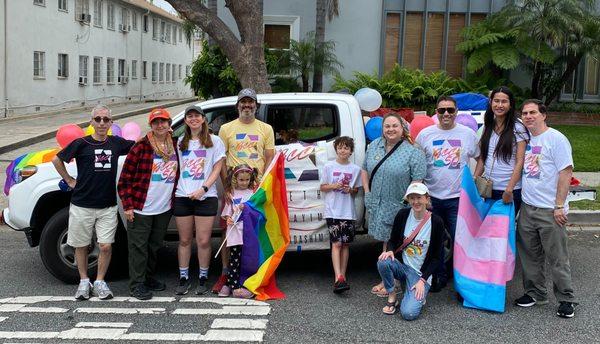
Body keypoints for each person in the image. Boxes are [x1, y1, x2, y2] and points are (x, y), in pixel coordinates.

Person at [51, 104, 134, 300]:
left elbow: (139, 146)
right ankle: (83, 281)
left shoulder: (117, 143)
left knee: (105, 245)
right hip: (82, 204)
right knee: (81, 245)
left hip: (107, 205)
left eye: (106, 119)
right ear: (91, 122)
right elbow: (57, 160)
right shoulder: (81, 143)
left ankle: (100, 281)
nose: (102, 123)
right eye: (98, 119)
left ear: (111, 123)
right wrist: (70, 180)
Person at [515, 99, 577, 318]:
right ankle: (535, 294)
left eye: (533, 112)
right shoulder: (525, 139)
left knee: (557, 257)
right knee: (530, 255)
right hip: (528, 207)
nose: (528, 116)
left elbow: (566, 172)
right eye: (525, 113)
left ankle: (566, 299)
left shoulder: (556, 138)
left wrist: (559, 205)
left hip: (550, 210)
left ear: (543, 115)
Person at [213, 88, 275, 293]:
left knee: (253, 232)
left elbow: (269, 158)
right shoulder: (226, 129)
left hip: (255, 191)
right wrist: (226, 185)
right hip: (233, 189)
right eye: (243, 102)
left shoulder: (265, 129)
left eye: (251, 102)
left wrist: (261, 185)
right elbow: (221, 159)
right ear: (237, 105)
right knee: (228, 230)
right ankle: (226, 272)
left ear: (256, 106)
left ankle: (250, 274)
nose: (247, 106)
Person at [415, 96, 479, 292]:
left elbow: (480, 158)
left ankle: (463, 283)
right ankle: (438, 277)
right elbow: (416, 161)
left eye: (450, 110)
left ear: (456, 112)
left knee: (461, 242)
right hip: (432, 198)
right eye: (442, 110)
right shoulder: (425, 135)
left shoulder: (468, 134)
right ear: (436, 111)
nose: (446, 114)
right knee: (435, 241)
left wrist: (474, 179)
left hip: (457, 198)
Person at [362, 113, 427, 296]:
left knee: (396, 243)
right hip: (378, 203)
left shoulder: (413, 151)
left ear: (402, 128)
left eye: (394, 126)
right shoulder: (374, 146)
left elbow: (418, 182)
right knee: (386, 241)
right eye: (387, 126)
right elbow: (364, 171)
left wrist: (409, 203)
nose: (390, 129)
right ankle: (388, 280)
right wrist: (367, 193)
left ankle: (392, 282)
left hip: (400, 205)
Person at [117, 108, 178, 300]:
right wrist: (127, 206)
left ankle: (148, 277)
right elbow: (124, 179)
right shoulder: (141, 147)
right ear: (151, 125)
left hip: (164, 207)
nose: (160, 125)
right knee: (138, 247)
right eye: (155, 122)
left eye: (163, 121)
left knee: (154, 245)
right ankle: (136, 284)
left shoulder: (175, 146)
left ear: (169, 124)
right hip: (141, 206)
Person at [173, 105, 225, 295]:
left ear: (204, 119)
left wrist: (203, 189)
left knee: (203, 241)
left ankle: (203, 277)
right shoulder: (180, 141)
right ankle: (183, 277)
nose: (193, 119)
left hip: (206, 196)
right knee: (185, 240)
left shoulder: (215, 141)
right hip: (182, 196)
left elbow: (217, 168)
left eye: (197, 116)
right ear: (185, 120)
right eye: (189, 116)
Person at [376, 183, 444, 320]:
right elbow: (393, 240)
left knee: (408, 313)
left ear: (426, 198)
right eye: (412, 198)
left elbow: (437, 257)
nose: (415, 201)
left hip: (420, 274)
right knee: (383, 261)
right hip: (403, 267)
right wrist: (389, 250)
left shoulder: (436, 222)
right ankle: (392, 294)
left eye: (419, 197)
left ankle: (416, 292)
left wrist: (423, 280)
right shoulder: (403, 215)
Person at [475, 86, 529, 213]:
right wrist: (474, 178)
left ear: (510, 105)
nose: (499, 105)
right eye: (496, 101)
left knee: (503, 230)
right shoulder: (488, 125)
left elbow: (520, 161)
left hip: (509, 190)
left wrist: (509, 189)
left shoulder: (518, 127)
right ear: (491, 102)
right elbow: (484, 156)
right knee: (489, 229)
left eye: (504, 101)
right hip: (488, 189)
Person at [320, 136, 362, 294]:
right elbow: (323, 187)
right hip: (332, 211)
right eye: (340, 147)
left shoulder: (355, 169)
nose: (343, 150)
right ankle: (337, 276)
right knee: (336, 243)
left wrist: (349, 190)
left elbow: (356, 190)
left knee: (345, 244)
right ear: (336, 149)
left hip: (348, 211)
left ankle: (342, 276)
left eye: (346, 148)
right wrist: (334, 185)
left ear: (351, 151)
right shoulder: (329, 166)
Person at [218, 164, 259, 299]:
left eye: (247, 180)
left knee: (247, 260)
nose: (244, 182)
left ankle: (244, 285)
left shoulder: (253, 194)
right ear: (236, 178)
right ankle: (232, 285)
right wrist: (228, 218)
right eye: (241, 180)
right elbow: (226, 213)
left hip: (248, 233)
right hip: (235, 232)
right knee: (234, 259)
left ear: (250, 179)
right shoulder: (232, 193)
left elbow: (257, 212)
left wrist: (246, 208)